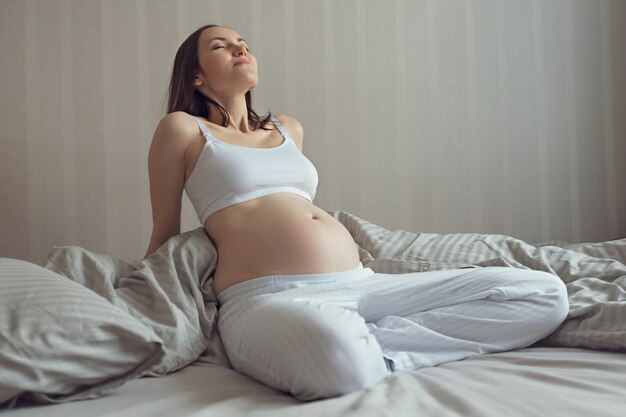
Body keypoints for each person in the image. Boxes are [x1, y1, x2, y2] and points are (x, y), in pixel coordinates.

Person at [144, 24, 570, 401]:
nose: (241, 49)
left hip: (364, 287)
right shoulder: (182, 128)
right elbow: (164, 232)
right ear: (196, 75)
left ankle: (376, 348)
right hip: (268, 298)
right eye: (221, 46)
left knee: (545, 294)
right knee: (337, 360)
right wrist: (145, 303)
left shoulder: (287, 128)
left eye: (244, 43)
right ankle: (359, 347)